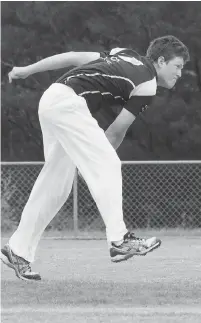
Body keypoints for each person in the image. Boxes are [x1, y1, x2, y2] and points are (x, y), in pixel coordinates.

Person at [1, 35, 189, 281]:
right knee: (109, 162)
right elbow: (115, 131)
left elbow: (72, 58)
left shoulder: (125, 53)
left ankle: (18, 250)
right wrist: (95, 163)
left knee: (56, 186)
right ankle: (120, 240)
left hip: (52, 99)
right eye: (177, 66)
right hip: (68, 105)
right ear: (161, 61)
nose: (180, 73)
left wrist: (28, 70)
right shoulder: (148, 85)